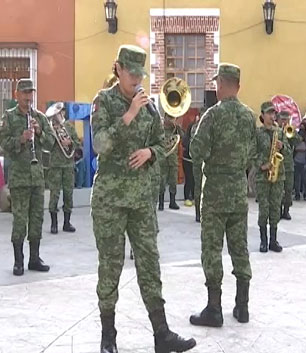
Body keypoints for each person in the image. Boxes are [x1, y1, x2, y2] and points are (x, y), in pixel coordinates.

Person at [90, 45, 195, 353]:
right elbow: (100, 144)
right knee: (110, 266)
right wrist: (129, 113)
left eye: (140, 74)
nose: (136, 79)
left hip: (141, 200)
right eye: (131, 72)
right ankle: (108, 337)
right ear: (118, 68)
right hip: (110, 200)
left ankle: (161, 334)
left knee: (150, 264)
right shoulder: (105, 101)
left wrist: (151, 152)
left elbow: (163, 144)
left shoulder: (149, 107)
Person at [189, 63, 255, 327]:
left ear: (222, 84)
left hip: (215, 192)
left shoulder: (212, 116)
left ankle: (214, 309)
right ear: (237, 86)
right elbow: (254, 151)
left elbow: (196, 152)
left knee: (212, 249)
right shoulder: (249, 116)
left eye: (217, 83)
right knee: (240, 247)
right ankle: (242, 307)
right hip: (238, 192)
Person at [0, 78, 54, 275]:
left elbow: (51, 145)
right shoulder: (9, 117)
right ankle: (18, 261)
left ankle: (34, 258)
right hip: (19, 178)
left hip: (37, 178)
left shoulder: (39, 117)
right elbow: (3, 144)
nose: (28, 97)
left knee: (37, 219)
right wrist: (21, 139)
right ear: (17, 95)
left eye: (31, 93)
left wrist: (39, 133)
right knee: (20, 220)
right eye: (24, 93)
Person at [254, 102, 289, 252]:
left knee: (275, 208)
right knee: (264, 208)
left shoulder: (279, 132)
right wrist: (262, 165)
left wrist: (283, 147)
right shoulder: (257, 133)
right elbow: (251, 152)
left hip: (278, 175)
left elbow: (288, 150)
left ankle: (273, 240)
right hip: (263, 176)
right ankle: (263, 240)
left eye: (273, 113)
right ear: (262, 115)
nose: (272, 116)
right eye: (268, 113)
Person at [47, 105, 81, 234]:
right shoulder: (50, 129)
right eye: (56, 114)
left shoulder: (69, 127)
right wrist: (53, 134)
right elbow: (47, 145)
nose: (58, 116)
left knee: (68, 193)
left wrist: (70, 143)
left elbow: (78, 144)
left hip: (68, 164)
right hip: (55, 165)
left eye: (60, 113)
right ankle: (53, 223)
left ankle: (67, 222)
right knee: (54, 194)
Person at [159, 114, 182, 210]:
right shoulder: (160, 128)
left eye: (173, 117)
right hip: (163, 159)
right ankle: (161, 203)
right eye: (169, 117)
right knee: (162, 180)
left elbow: (183, 137)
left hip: (173, 159)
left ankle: (172, 202)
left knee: (173, 180)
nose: (171, 119)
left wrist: (176, 126)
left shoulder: (176, 129)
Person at [276, 110, 296, 220]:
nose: (284, 122)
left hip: (288, 165)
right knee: (278, 190)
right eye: (282, 119)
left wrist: (291, 133)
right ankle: (278, 210)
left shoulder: (291, 131)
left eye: (286, 120)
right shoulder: (275, 131)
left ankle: (286, 211)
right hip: (277, 165)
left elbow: (298, 142)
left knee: (288, 190)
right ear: (278, 120)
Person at [191, 111, 203, 222]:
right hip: (198, 162)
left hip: (207, 162)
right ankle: (198, 213)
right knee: (198, 187)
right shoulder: (196, 128)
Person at [293, 121, 306, 201]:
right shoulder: (297, 141)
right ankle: (297, 194)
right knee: (297, 180)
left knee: (304, 179)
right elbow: (295, 149)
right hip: (297, 161)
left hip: (303, 162)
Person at [182, 118, 195, 207]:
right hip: (187, 160)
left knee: (194, 180)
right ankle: (187, 197)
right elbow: (185, 144)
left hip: (194, 160)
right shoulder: (187, 138)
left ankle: (194, 197)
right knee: (189, 179)